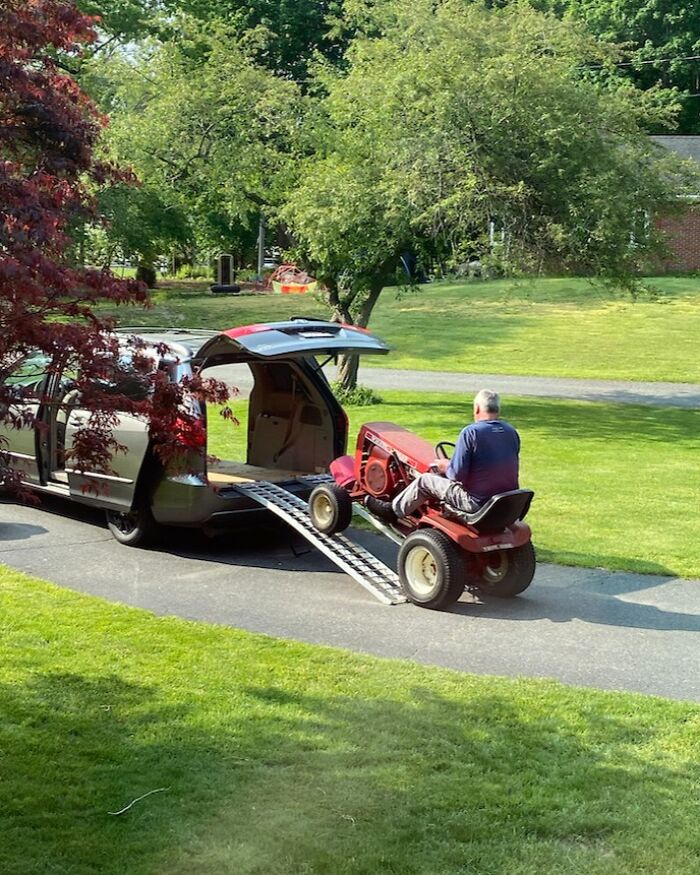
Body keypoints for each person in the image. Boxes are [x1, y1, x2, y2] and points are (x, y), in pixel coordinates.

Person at [365, 389, 520, 524]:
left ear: (477, 408)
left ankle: (392, 511)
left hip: (476, 502)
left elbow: (456, 475)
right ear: (497, 410)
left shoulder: (471, 432)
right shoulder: (511, 432)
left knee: (425, 481)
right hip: (504, 501)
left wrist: (445, 466)